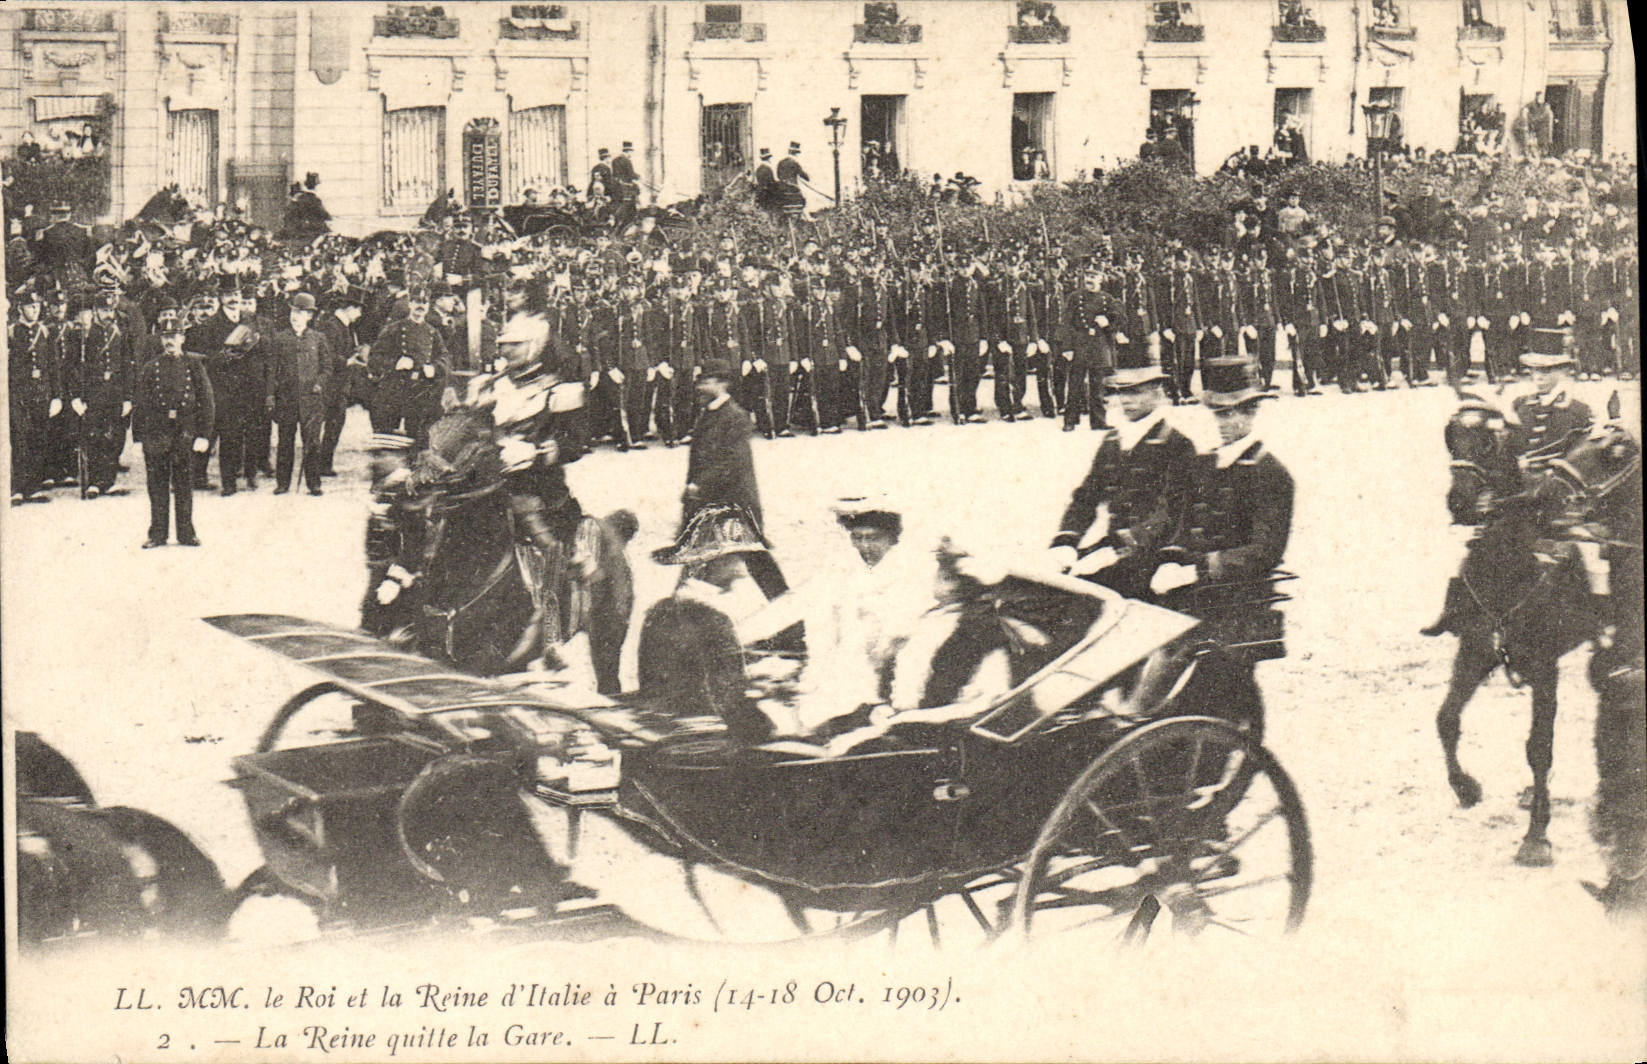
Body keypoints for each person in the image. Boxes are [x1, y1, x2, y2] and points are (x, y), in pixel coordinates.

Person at [1152, 357, 1294, 740]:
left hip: (1238, 599)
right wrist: (1169, 558)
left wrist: (1199, 569)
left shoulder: (1270, 473)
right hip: (1195, 592)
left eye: (1235, 414)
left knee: (1206, 681)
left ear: (1253, 412)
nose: (1227, 423)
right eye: (1220, 414)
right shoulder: (1203, 464)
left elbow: (1265, 551)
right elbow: (1181, 525)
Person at [1048, 343, 1196, 599]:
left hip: (1158, 556)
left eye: (1136, 392)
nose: (1126, 400)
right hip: (1114, 550)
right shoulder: (1113, 442)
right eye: (1121, 392)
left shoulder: (1176, 444)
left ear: (1156, 392)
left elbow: (1175, 511)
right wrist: (1066, 541)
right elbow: (1086, 497)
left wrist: (1118, 548)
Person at [681, 360, 788, 600]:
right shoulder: (709, 413)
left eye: (706, 382)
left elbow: (732, 463)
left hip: (735, 506)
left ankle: (787, 614)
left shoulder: (735, 417)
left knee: (758, 563)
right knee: (699, 565)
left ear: (722, 384)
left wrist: (699, 485)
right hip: (711, 506)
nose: (700, 387)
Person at [133, 321, 214, 548]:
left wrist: (204, 435)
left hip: (185, 431)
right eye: (166, 336)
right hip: (157, 432)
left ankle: (186, 533)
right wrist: (138, 438)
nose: (170, 341)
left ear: (182, 339)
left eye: (175, 336)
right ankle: (157, 534)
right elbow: (141, 404)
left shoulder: (195, 366)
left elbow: (207, 402)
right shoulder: (150, 368)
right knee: (157, 485)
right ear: (161, 340)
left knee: (184, 484)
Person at [263, 292, 340, 496]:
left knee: (312, 443)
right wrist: (270, 395)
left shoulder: (318, 338)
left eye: (301, 312)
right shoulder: (279, 339)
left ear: (310, 316)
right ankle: (282, 483)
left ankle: (313, 483)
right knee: (285, 442)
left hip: (311, 401)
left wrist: (319, 384)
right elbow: (271, 370)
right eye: (294, 311)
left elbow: (327, 367)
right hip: (286, 399)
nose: (296, 315)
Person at [9, 283, 63, 505]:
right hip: (19, 395)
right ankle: (19, 487)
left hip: (41, 393)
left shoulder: (44, 331)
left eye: (37, 306)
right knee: (20, 440)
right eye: (30, 307)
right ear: (21, 308)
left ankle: (33, 486)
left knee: (39, 439)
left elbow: (53, 366)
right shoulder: (12, 333)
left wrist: (56, 395)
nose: (35, 310)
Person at [1510, 328, 1593, 457]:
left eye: (1546, 371)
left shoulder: (1577, 409)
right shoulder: (1520, 404)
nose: (1538, 377)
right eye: (1534, 370)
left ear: (1562, 372)